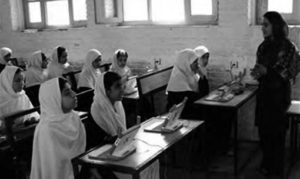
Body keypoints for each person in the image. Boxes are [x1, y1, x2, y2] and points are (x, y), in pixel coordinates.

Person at [251, 11, 298, 178]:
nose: (262, 28)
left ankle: (276, 170)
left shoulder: (288, 47)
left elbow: (288, 72)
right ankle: (267, 164)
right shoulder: (263, 46)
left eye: (266, 25)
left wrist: (267, 71)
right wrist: (257, 72)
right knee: (264, 134)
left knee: (277, 135)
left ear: (275, 26)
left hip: (278, 97)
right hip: (264, 95)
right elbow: (260, 67)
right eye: (262, 25)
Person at [90, 71, 159, 179]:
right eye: (117, 87)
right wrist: (120, 139)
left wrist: (128, 136)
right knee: (142, 169)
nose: (122, 89)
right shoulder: (97, 110)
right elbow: (100, 145)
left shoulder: (118, 104)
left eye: (122, 85)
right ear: (107, 91)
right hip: (106, 159)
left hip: (120, 149)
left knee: (152, 161)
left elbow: (122, 133)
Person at [30, 77, 86, 179]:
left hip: (80, 169)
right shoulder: (47, 129)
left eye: (72, 90)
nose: (74, 94)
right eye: (67, 93)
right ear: (54, 99)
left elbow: (81, 151)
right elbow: (54, 170)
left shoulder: (73, 117)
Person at [166, 48, 209, 119]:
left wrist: (202, 76)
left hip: (190, 109)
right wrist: (202, 77)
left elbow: (204, 94)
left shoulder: (191, 76)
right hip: (180, 115)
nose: (198, 65)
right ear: (186, 63)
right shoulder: (178, 80)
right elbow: (199, 98)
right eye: (195, 62)